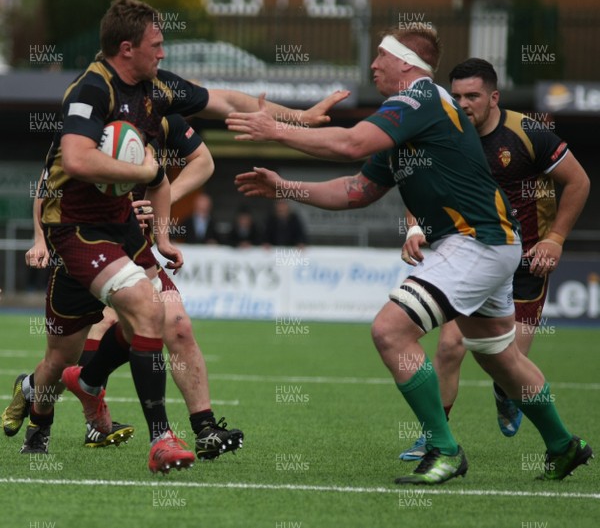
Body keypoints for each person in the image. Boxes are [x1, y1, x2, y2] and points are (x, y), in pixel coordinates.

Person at [229, 25, 593, 484]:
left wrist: (276, 130)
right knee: (498, 355)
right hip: (488, 244)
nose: (373, 65)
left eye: (381, 57)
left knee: (389, 330)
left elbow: (350, 144)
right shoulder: (406, 115)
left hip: (474, 243)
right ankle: (564, 446)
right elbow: (358, 190)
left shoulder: (420, 98)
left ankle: (443, 449)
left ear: (405, 63)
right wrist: (285, 187)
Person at [4, 0, 347, 472]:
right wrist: (141, 168)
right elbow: (78, 160)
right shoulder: (89, 92)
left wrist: (300, 117)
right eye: (156, 45)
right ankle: (40, 413)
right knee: (57, 361)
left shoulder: (158, 90)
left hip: (125, 231)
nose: (163, 53)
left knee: (168, 318)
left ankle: (170, 433)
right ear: (127, 49)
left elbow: (227, 101)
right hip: (76, 233)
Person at [6, 114, 245, 459]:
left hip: (133, 247)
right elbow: (45, 186)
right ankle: (37, 403)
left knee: (174, 325)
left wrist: (160, 216)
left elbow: (197, 163)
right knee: (60, 360)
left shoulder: (162, 119)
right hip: (81, 249)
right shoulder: (87, 123)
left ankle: (201, 428)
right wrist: (39, 239)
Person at [398, 58, 590, 460]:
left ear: (494, 97)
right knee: (450, 345)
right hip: (477, 255)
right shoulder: (445, 135)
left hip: (527, 262)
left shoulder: (526, 132)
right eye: (457, 96)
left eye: (474, 96)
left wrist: (555, 240)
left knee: (506, 364)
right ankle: (436, 438)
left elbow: (578, 180)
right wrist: (414, 227)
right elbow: (418, 183)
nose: (464, 104)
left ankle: (508, 397)